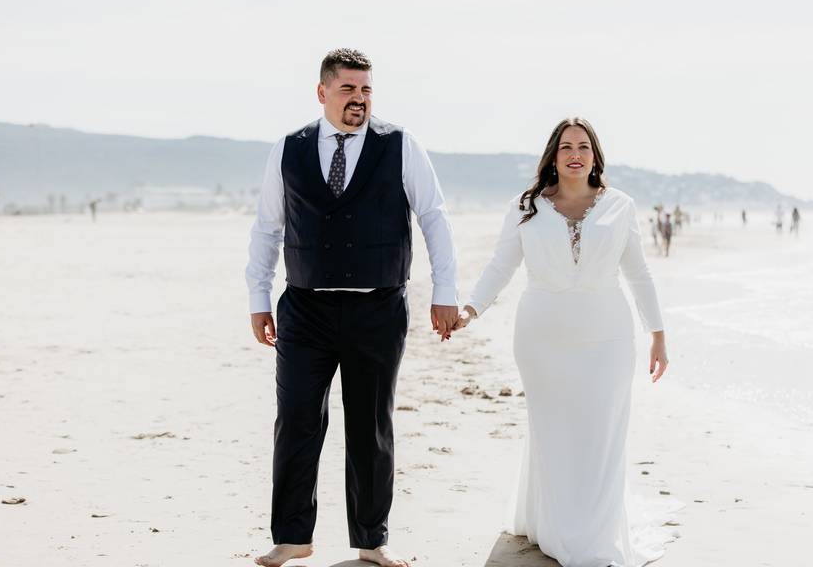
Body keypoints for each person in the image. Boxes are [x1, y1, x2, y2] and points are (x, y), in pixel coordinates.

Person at [244, 48, 459, 567]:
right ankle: (293, 536)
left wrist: (444, 292)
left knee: (370, 426)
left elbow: (433, 216)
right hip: (305, 309)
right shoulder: (288, 149)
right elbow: (268, 227)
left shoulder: (401, 146)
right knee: (296, 420)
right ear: (323, 92)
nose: (359, 99)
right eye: (348, 89)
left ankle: (371, 541)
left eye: (366, 90)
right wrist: (258, 298)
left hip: (377, 310)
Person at [453, 118, 678, 567]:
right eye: (565, 147)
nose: (575, 154)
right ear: (553, 156)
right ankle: (551, 522)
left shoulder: (620, 206)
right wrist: (470, 309)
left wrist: (658, 334)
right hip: (542, 337)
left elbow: (638, 273)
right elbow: (502, 265)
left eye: (584, 146)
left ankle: (591, 536)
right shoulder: (526, 206)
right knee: (554, 430)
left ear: (595, 156)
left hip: (608, 335)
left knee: (600, 432)